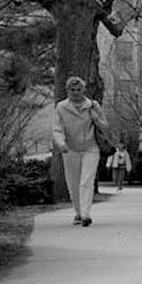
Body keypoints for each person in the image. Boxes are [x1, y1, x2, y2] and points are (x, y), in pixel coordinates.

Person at [52, 76, 110, 227]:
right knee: (73, 184)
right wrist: (61, 143)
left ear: (84, 90)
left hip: (91, 148)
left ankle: (85, 214)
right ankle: (78, 212)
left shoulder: (93, 105)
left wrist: (96, 119)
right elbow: (57, 129)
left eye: (79, 90)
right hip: (70, 150)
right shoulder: (61, 107)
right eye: (72, 90)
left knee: (86, 181)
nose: (76, 93)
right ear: (67, 90)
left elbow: (105, 127)